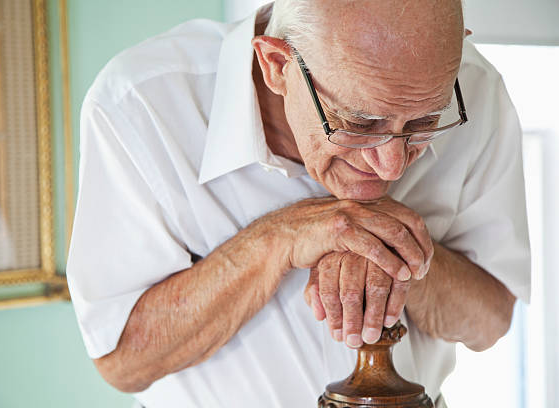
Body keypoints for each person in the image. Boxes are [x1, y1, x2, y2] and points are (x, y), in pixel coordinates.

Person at [66, 0, 530, 406]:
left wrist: (386, 247)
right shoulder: (140, 104)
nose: (391, 167)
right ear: (275, 65)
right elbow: (122, 361)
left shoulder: (476, 87)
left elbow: (491, 322)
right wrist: (279, 239)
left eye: (425, 121)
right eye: (359, 122)